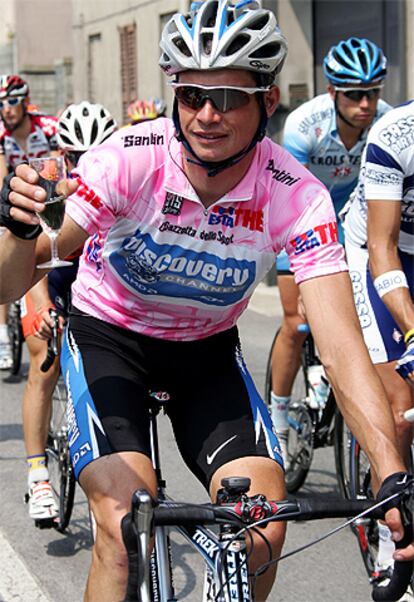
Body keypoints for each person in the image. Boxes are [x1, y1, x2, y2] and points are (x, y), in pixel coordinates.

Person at [0, 2, 411, 600]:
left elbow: (341, 342)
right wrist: (15, 229)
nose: (207, 115)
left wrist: (391, 469)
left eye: (229, 96)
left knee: (263, 527)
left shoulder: (296, 194)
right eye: (192, 95)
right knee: (121, 530)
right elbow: (18, 277)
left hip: (206, 353)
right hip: (110, 338)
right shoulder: (129, 158)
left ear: (269, 102)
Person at [269, 37, 391, 458]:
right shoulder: (304, 126)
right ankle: (278, 419)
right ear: (332, 93)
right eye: (355, 95)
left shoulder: (387, 125)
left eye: (373, 93)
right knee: (296, 322)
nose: (366, 104)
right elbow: (292, 199)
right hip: (304, 217)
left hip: (356, 223)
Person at [20, 101, 117, 525]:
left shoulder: (124, 183)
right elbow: (34, 263)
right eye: (77, 157)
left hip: (98, 286)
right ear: (64, 156)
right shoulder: (52, 188)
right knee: (45, 366)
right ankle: (38, 476)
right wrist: (42, 309)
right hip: (51, 279)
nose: (86, 165)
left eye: (96, 154)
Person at [343, 101, 414, 585]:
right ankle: (392, 537)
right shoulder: (397, 133)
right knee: (400, 402)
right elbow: (382, 248)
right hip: (375, 250)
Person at [0, 74, 59, 370]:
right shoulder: (0, 133)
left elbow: (58, 167)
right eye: (2, 104)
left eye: (12, 102)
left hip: (43, 192)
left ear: (24, 102)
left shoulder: (47, 127)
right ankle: (1, 333)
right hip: (11, 198)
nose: (7, 109)